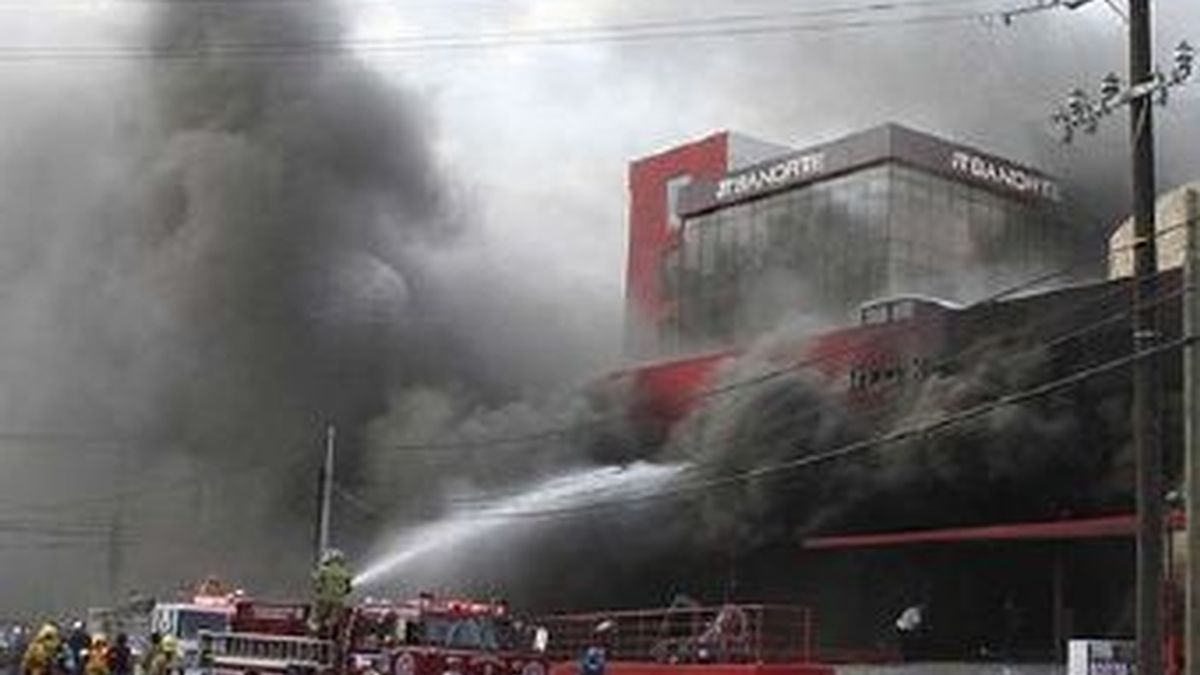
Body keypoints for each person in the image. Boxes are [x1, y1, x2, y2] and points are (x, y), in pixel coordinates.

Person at [312, 549, 353, 637]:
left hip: (324, 599)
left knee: (317, 619)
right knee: (334, 620)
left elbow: (318, 586)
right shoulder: (345, 572)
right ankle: (330, 632)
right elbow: (349, 588)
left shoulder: (323, 570)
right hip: (339, 601)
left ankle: (316, 634)